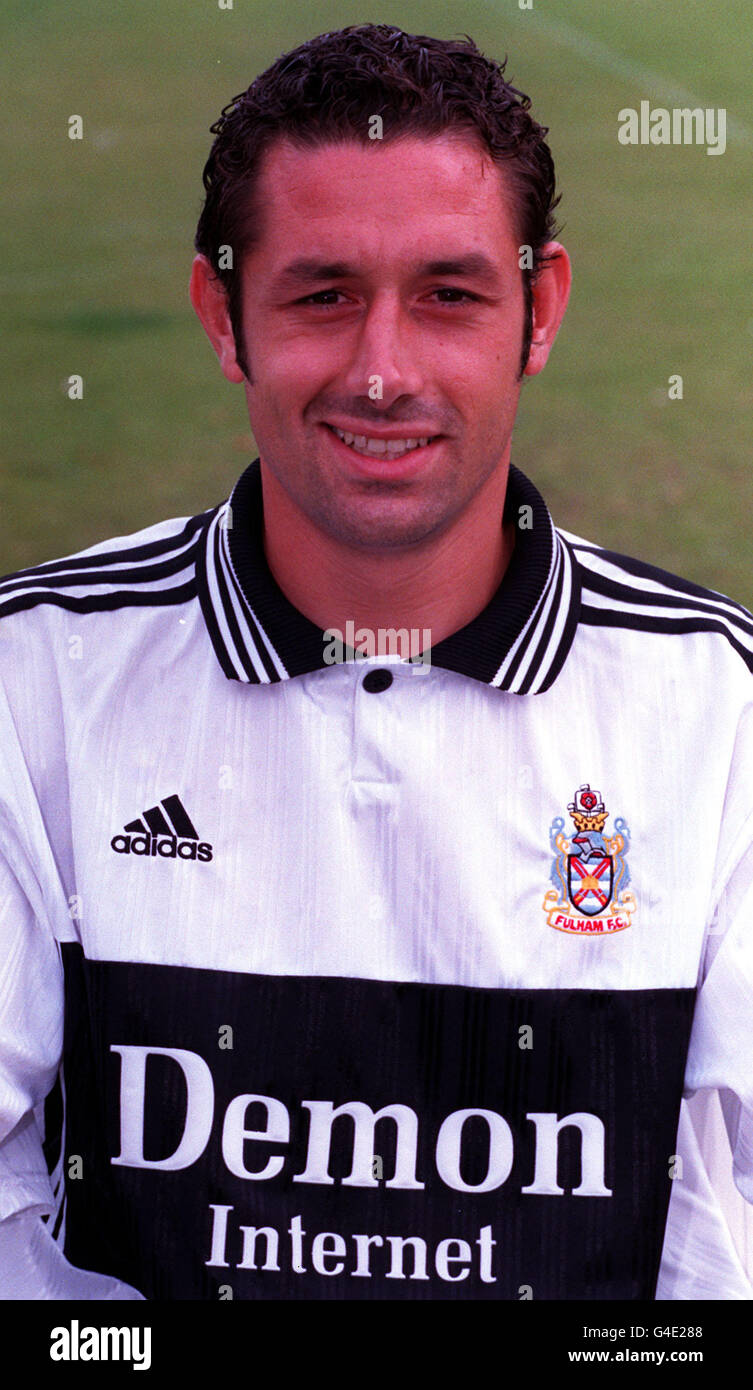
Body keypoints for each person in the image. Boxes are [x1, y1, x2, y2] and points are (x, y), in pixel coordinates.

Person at [0, 22, 751, 1302]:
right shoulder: (36, 683)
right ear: (223, 314)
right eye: (323, 295)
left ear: (541, 309)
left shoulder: (717, 711)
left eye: (451, 296)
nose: (384, 371)